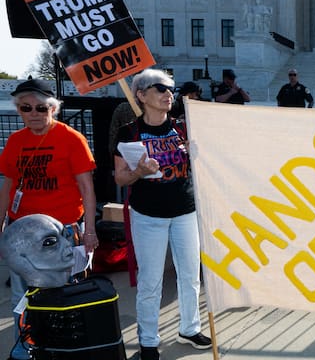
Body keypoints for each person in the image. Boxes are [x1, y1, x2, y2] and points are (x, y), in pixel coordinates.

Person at [113, 69, 211, 360]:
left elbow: (204, 166)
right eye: (160, 88)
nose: (169, 94)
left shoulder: (184, 127)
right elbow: (120, 178)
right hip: (148, 216)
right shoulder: (128, 132)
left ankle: (189, 329)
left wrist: (198, 155)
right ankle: (148, 341)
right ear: (141, 95)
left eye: (170, 88)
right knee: (150, 281)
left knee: (191, 276)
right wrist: (139, 172)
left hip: (185, 212)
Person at [0, 78, 98, 360]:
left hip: (63, 233)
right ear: (19, 110)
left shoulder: (72, 139)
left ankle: (64, 350)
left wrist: (90, 231)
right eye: (26, 108)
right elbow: (7, 187)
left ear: (53, 108)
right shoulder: (15, 141)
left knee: (66, 293)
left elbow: (87, 188)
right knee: (22, 296)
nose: (33, 113)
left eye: (40, 108)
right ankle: (24, 349)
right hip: (21, 235)